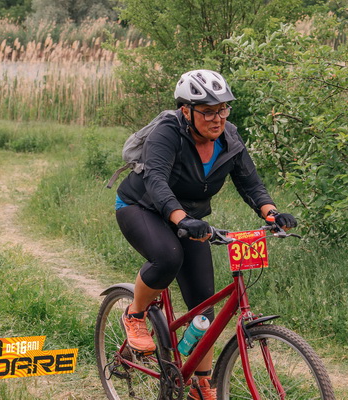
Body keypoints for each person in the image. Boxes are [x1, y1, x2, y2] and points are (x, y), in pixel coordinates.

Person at [114, 69, 297, 400]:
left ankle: (201, 384)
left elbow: (250, 182)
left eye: (223, 109)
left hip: (189, 218)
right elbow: (156, 180)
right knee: (168, 256)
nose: (218, 118)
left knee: (203, 307)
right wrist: (182, 218)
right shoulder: (167, 133)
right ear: (186, 111)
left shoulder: (229, 137)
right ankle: (135, 314)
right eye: (209, 111)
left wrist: (271, 212)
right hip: (141, 207)